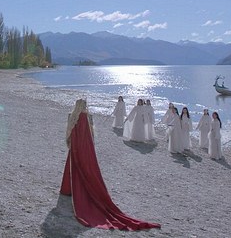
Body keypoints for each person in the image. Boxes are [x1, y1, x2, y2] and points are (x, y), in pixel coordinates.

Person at [60, 99, 160, 230]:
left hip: (76, 147)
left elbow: (71, 132)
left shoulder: (74, 116)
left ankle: (68, 190)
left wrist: (71, 143)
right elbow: (89, 134)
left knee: (73, 167)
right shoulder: (85, 116)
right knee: (81, 169)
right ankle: (70, 190)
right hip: (83, 148)